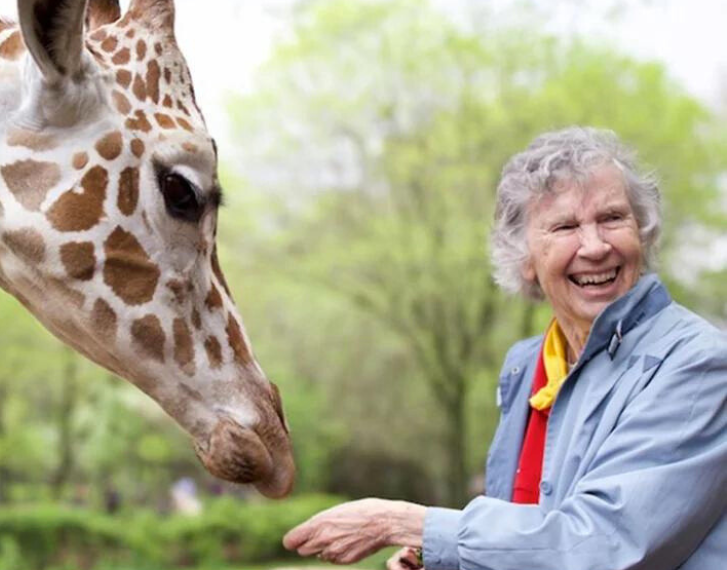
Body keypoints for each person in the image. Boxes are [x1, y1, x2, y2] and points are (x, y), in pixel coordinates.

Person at [282, 127, 726, 569]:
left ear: (642, 233)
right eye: (566, 226)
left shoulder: (698, 365)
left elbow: (601, 547)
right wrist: (446, 560)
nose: (594, 246)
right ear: (525, 259)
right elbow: (533, 531)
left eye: (612, 218)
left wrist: (406, 523)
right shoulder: (528, 366)